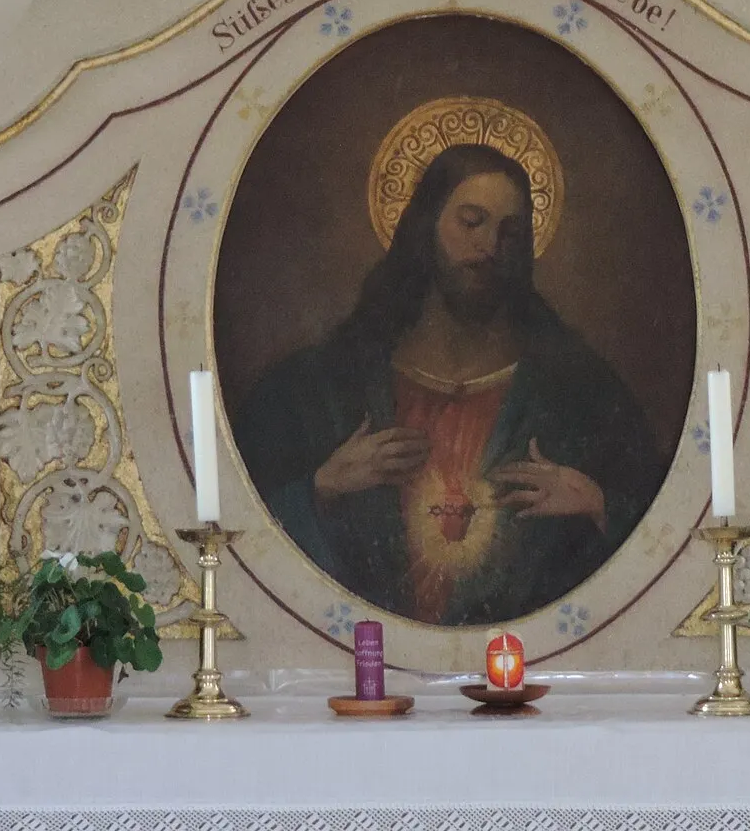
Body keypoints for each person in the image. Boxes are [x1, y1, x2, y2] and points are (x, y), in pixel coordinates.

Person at [232, 143, 661, 625]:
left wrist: (598, 505)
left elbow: (659, 529)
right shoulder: (320, 387)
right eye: (471, 221)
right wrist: (322, 488)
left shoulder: (581, 393)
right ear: (425, 229)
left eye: (510, 231)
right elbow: (235, 533)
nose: (489, 246)